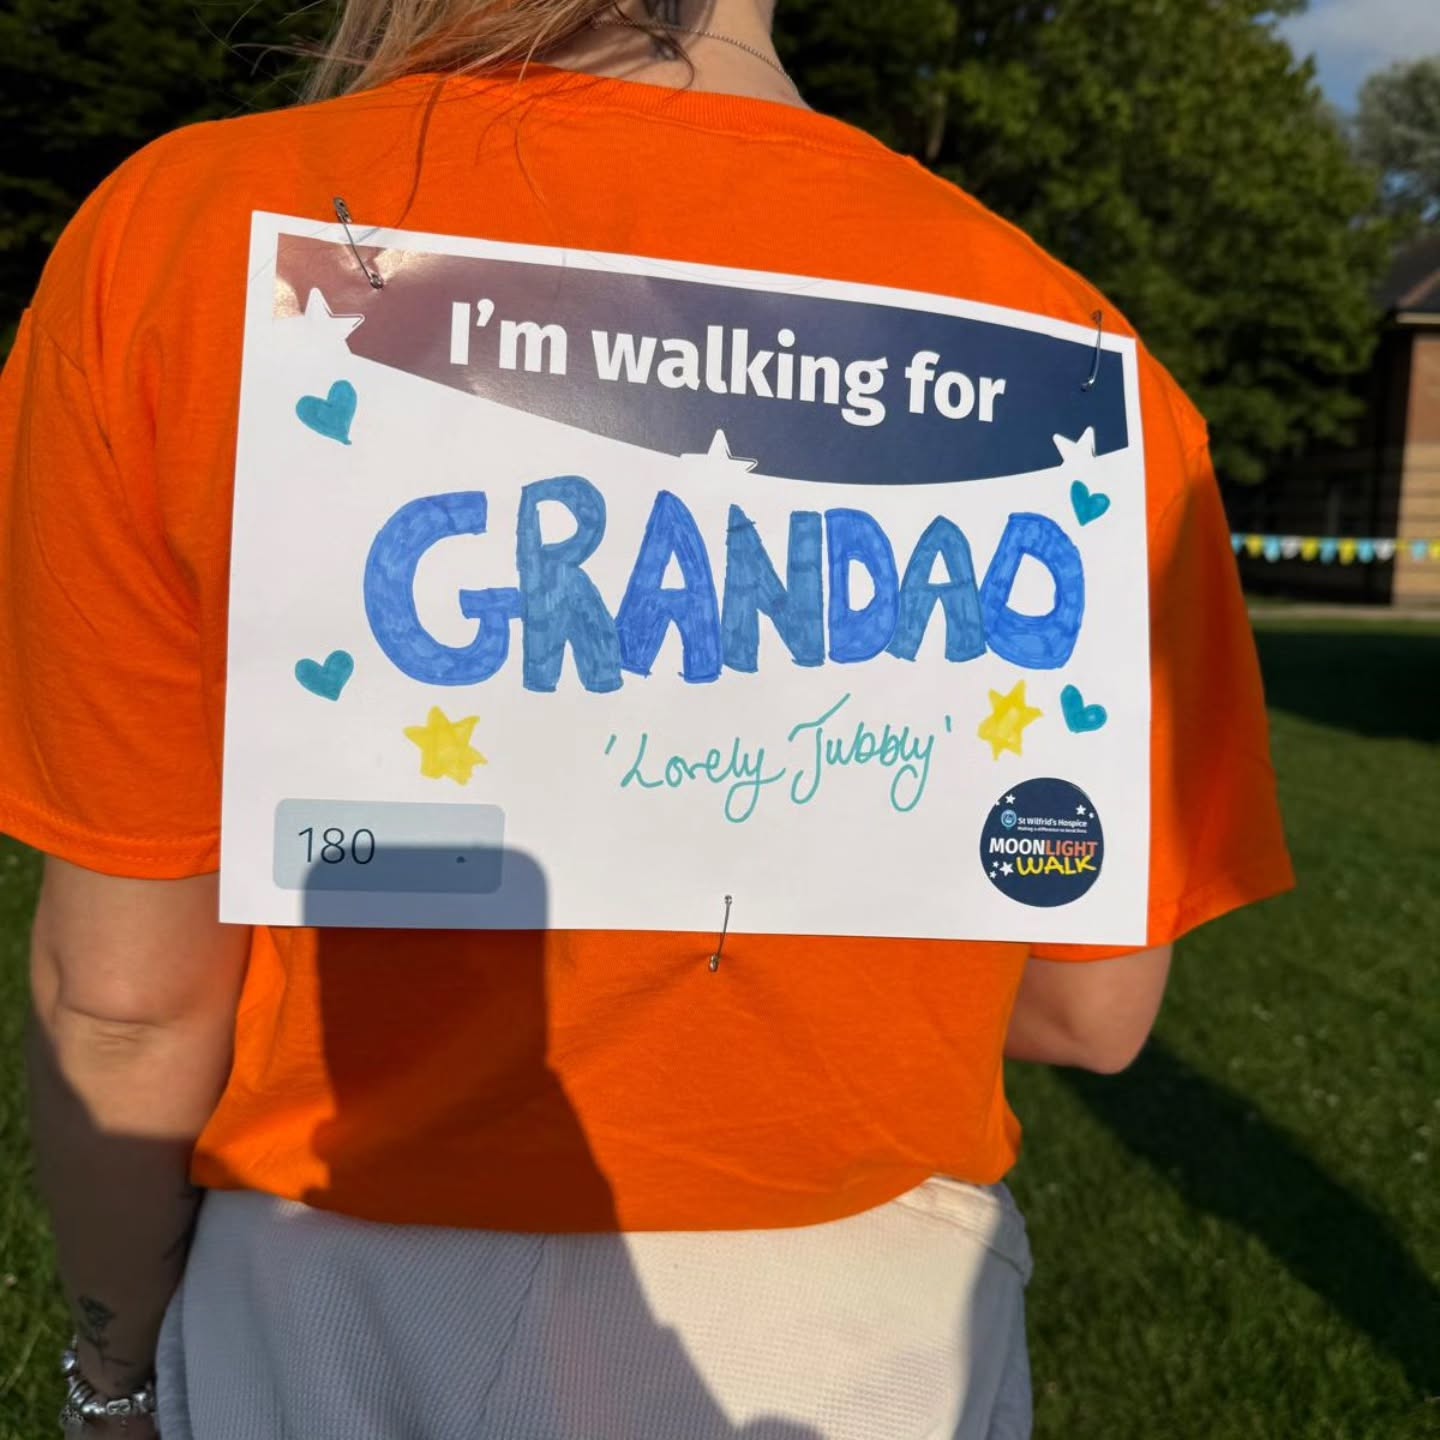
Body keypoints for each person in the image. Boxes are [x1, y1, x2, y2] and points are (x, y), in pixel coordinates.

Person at [0, 2, 1294, 1436]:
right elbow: (1088, 1003)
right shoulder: (1081, 351)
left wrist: (112, 1376)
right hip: (876, 1325)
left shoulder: (179, 240)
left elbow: (123, 1006)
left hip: (333, 1304)